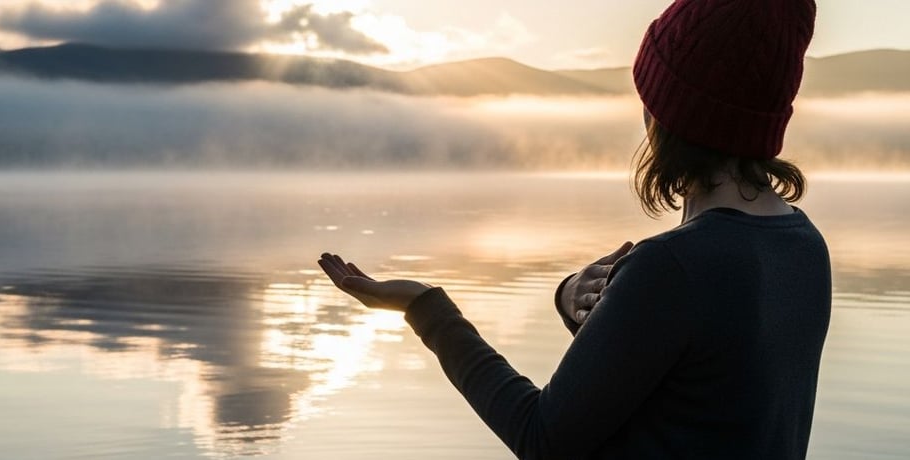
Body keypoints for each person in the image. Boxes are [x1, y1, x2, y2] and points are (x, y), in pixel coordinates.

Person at [318, 0, 831, 458]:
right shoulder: (805, 248)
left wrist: (425, 306)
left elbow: (540, 438)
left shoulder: (672, 268)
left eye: (648, 98)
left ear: (673, 115)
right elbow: (692, 395)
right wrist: (577, 302)